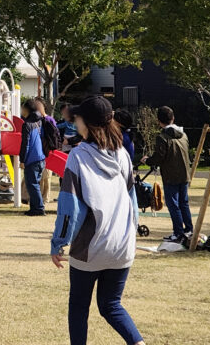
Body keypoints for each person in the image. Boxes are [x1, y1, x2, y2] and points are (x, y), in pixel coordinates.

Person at [51, 96, 144, 345]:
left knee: (79, 307)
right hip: (123, 245)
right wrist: (131, 233)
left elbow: (69, 209)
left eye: (78, 117)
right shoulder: (123, 155)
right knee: (111, 305)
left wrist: (58, 243)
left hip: (91, 247)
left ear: (86, 124)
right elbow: (131, 199)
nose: (75, 120)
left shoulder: (78, 157)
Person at [141, 106, 192, 243]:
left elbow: (159, 157)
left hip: (171, 176)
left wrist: (147, 161)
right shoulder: (184, 135)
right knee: (184, 203)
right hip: (185, 174)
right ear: (173, 118)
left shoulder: (162, 137)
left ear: (158, 121)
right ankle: (189, 230)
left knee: (173, 205)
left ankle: (178, 233)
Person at [20, 98, 58, 215]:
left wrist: (22, 160)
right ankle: (35, 207)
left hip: (32, 159)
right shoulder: (39, 122)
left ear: (26, 110)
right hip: (41, 158)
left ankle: (38, 208)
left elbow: (25, 144)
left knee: (32, 184)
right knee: (35, 184)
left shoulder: (27, 124)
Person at [34, 97, 62, 204]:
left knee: (46, 177)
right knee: (38, 176)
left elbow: (55, 135)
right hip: (37, 151)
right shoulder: (34, 120)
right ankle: (36, 198)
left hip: (47, 150)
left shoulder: (49, 119)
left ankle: (45, 198)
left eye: (38, 105)